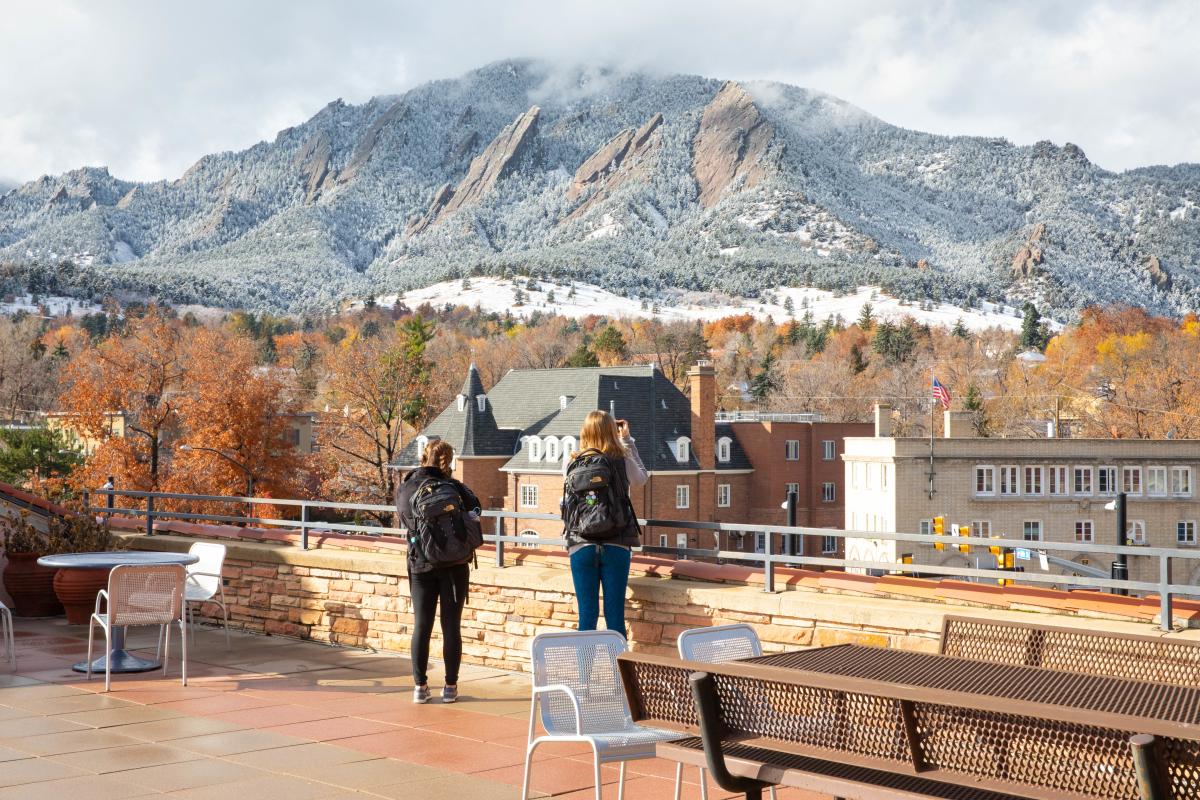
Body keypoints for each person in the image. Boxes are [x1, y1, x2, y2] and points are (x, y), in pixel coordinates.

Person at [396, 440, 481, 704]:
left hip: (421, 564)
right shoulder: (455, 487)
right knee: (450, 627)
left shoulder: (407, 486)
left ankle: (420, 687)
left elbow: (403, 518)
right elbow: (476, 512)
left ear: (423, 457)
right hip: (455, 566)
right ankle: (450, 687)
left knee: (422, 626)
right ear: (449, 461)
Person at [562, 410, 647, 636]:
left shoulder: (572, 461)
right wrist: (627, 441)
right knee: (615, 617)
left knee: (587, 616)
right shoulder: (621, 458)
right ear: (613, 430)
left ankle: (584, 672)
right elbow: (642, 479)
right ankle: (619, 671)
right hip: (616, 543)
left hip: (581, 544)